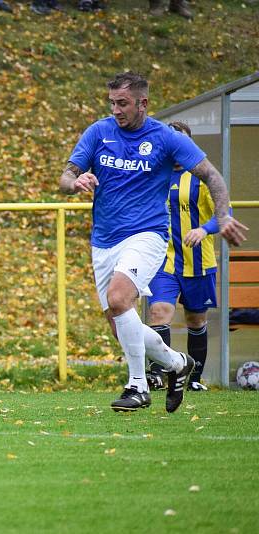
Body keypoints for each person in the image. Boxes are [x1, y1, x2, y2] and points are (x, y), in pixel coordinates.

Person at [59, 72, 248, 413]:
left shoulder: (165, 137)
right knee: (120, 326)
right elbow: (65, 176)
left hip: (147, 235)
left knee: (120, 299)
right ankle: (177, 363)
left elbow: (212, 176)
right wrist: (75, 181)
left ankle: (138, 386)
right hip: (103, 241)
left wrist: (221, 218)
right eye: (112, 103)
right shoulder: (99, 132)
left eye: (123, 103)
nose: (116, 110)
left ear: (143, 103)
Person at [147, 121, 224, 392]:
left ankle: (193, 379)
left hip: (198, 262)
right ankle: (159, 373)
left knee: (195, 320)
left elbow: (225, 215)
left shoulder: (203, 179)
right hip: (163, 260)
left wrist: (204, 229)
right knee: (159, 312)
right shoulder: (156, 175)